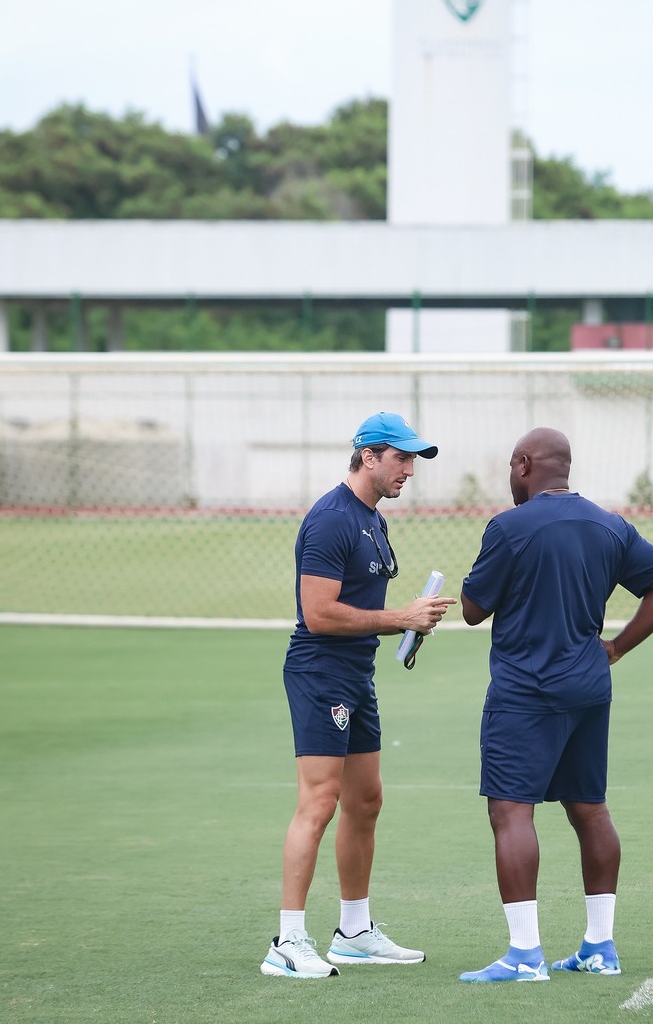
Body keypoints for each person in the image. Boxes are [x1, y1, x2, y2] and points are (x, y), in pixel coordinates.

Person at [458, 427, 653, 984]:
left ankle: (524, 954)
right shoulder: (609, 525)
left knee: (511, 811)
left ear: (523, 464)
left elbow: (471, 608)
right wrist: (616, 648)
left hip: (525, 691)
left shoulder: (509, 527)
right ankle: (599, 946)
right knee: (589, 808)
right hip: (588, 685)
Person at [260, 411, 456, 980]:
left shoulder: (372, 518)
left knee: (365, 801)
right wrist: (400, 617)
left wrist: (407, 623)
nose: (410, 470)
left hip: (356, 674)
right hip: (320, 673)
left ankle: (354, 931)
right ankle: (288, 941)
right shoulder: (330, 519)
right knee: (318, 802)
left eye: (413, 459)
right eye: (401, 458)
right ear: (368, 456)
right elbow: (318, 615)